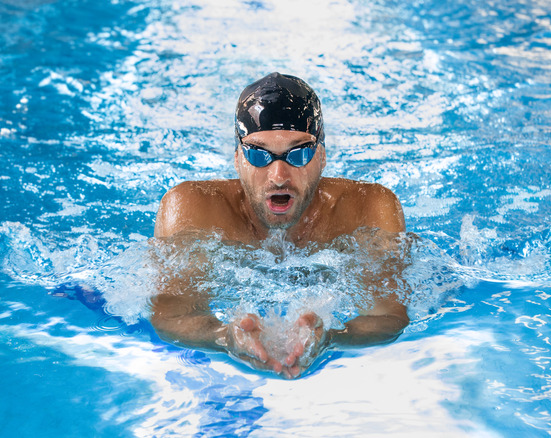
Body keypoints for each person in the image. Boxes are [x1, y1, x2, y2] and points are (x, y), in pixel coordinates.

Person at [151, 72, 409, 378]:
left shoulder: (367, 209)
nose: (278, 176)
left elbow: (390, 314)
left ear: (322, 157)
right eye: (259, 155)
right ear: (237, 159)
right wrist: (223, 337)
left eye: (298, 153)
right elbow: (171, 312)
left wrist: (333, 337)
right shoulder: (192, 209)